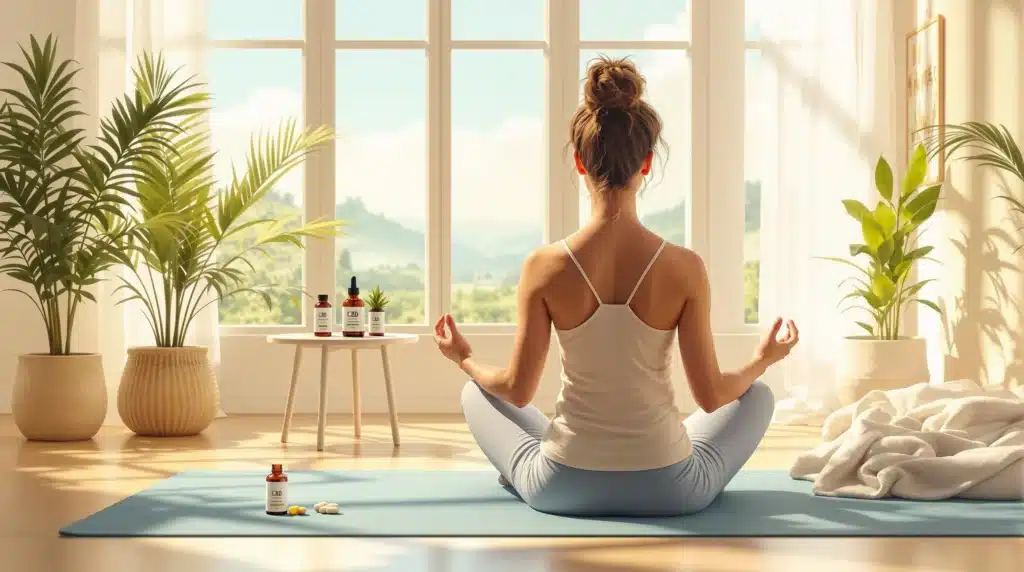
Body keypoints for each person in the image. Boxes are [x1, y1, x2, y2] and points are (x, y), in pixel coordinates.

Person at [432, 56, 799, 517]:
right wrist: (764, 359)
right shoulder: (685, 267)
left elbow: (516, 389)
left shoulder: (543, 265)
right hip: (671, 490)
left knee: (476, 390)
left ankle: (529, 471)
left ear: (579, 161)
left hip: (561, 487)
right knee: (757, 395)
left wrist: (463, 357)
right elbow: (711, 395)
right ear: (646, 162)